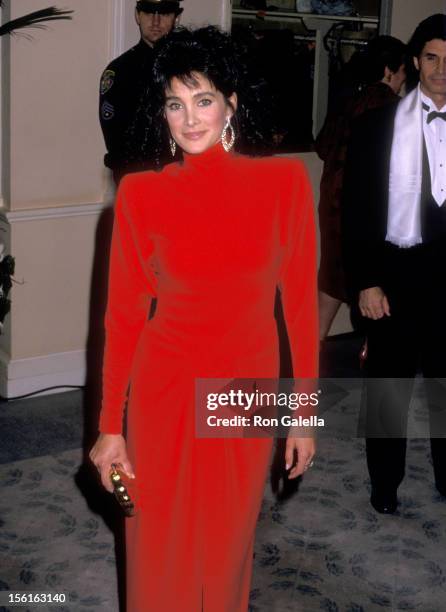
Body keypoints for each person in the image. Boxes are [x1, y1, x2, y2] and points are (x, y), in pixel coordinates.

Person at [89, 27, 319, 611]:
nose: (189, 118)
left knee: (224, 548)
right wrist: (110, 427)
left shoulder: (284, 184)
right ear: (161, 112)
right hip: (162, 390)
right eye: (175, 103)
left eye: (203, 99)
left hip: (246, 390)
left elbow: (297, 307)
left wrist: (304, 416)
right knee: (154, 548)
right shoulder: (139, 195)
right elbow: (122, 320)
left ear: (232, 103)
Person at [342, 14, 446, 514]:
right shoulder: (375, 128)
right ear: (414, 61)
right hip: (396, 279)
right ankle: (385, 485)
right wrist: (366, 281)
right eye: (431, 57)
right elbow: (356, 213)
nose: (441, 69)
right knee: (388, 393)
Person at [316, 36, 406, 341]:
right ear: (390, 70)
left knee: (330, 286)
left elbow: (323, 146)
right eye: (404, 70)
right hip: (365, 213)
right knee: (375, 298)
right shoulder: (391, 109)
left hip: (332, 206)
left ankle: (303, 361)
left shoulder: (348, 99)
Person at [99, 0, 183, 184]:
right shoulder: (119, 71)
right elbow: (115, 140)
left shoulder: (188, 71)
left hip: (183, 178)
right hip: (136, 178)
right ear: (137, 15)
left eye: (165, 12)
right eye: (148, 12)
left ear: (177, 18)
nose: (155, 20)